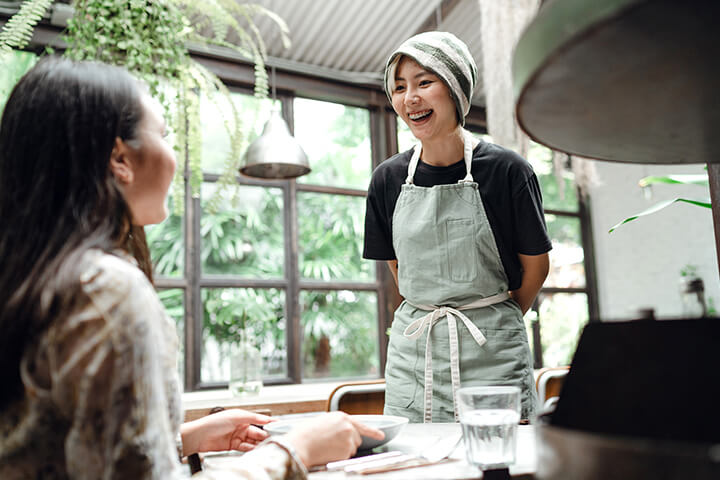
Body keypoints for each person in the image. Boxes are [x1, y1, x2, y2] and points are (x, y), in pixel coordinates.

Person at [0, 57, 382, 479]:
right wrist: (293, 449)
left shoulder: (35, 278)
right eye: (164, 136)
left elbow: (64, 451)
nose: (175, 156)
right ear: (119, 158)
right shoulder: (107, 291)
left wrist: (187, 436)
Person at [363, 32, 552, 423]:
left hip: (492, 352)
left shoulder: (507, 170)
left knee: (499, 460)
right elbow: (400, 270)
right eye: (399, 87)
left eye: (423, 82)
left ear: (455, 89)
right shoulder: (387, 179)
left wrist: (496, 320)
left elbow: (536, 265)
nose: (409, 97)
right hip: (416, 356)